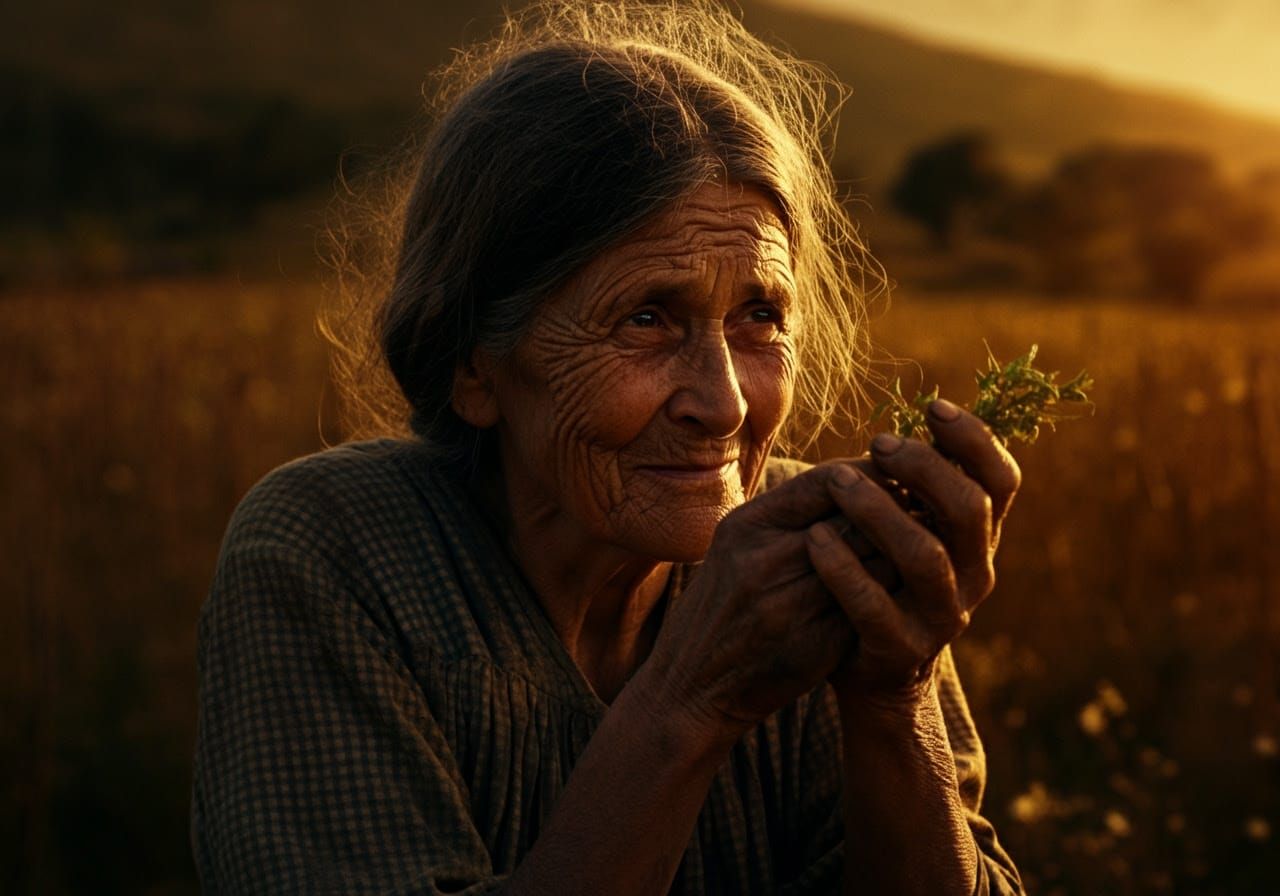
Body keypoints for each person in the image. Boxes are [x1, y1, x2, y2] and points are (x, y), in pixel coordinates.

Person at [192, 2, 1024, 893]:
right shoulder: (336, 553)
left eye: (759, 317)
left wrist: (892, 694)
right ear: (473, 365)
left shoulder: (823, 567)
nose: (726, 402)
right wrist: (692, 701)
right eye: (647, 317)